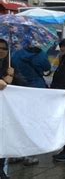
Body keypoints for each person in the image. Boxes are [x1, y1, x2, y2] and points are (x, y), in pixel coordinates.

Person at [11, 41, 51, 166]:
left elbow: (13, 68)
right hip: (36, 90)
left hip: (19, 89)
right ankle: (29, 155)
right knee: (33, 122)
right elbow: (47, 68)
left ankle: (14, 154)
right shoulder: (41, 54)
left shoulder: (16, 54)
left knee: (17, 121)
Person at [0, 39, 26, 179]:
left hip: (5, 111)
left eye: (4, 48)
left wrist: (12, 75)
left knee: (4, 139)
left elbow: (22, 83)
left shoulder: (10, 64)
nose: (1, 50)